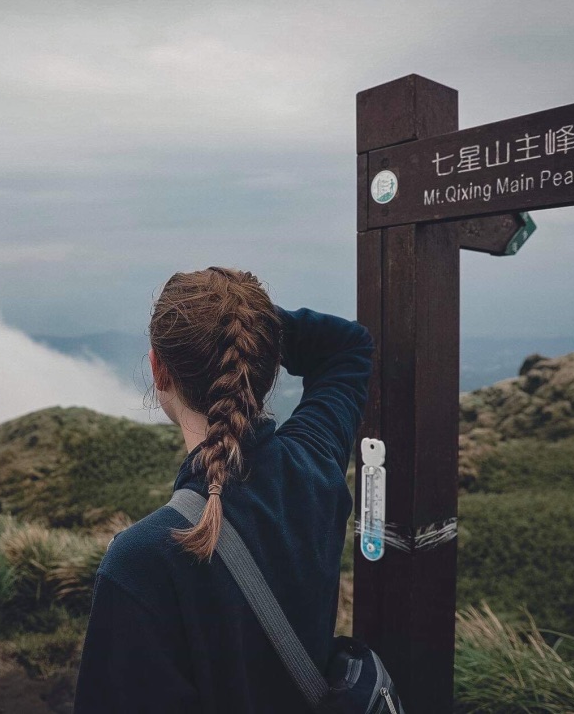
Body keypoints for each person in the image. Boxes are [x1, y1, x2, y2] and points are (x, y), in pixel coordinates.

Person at [74, 266, 373, 713]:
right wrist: (246, 323)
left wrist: (226, 325)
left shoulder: (138, 562)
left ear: (158, 371)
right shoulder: (314, 467)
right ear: (268, 364)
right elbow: (348, 345)